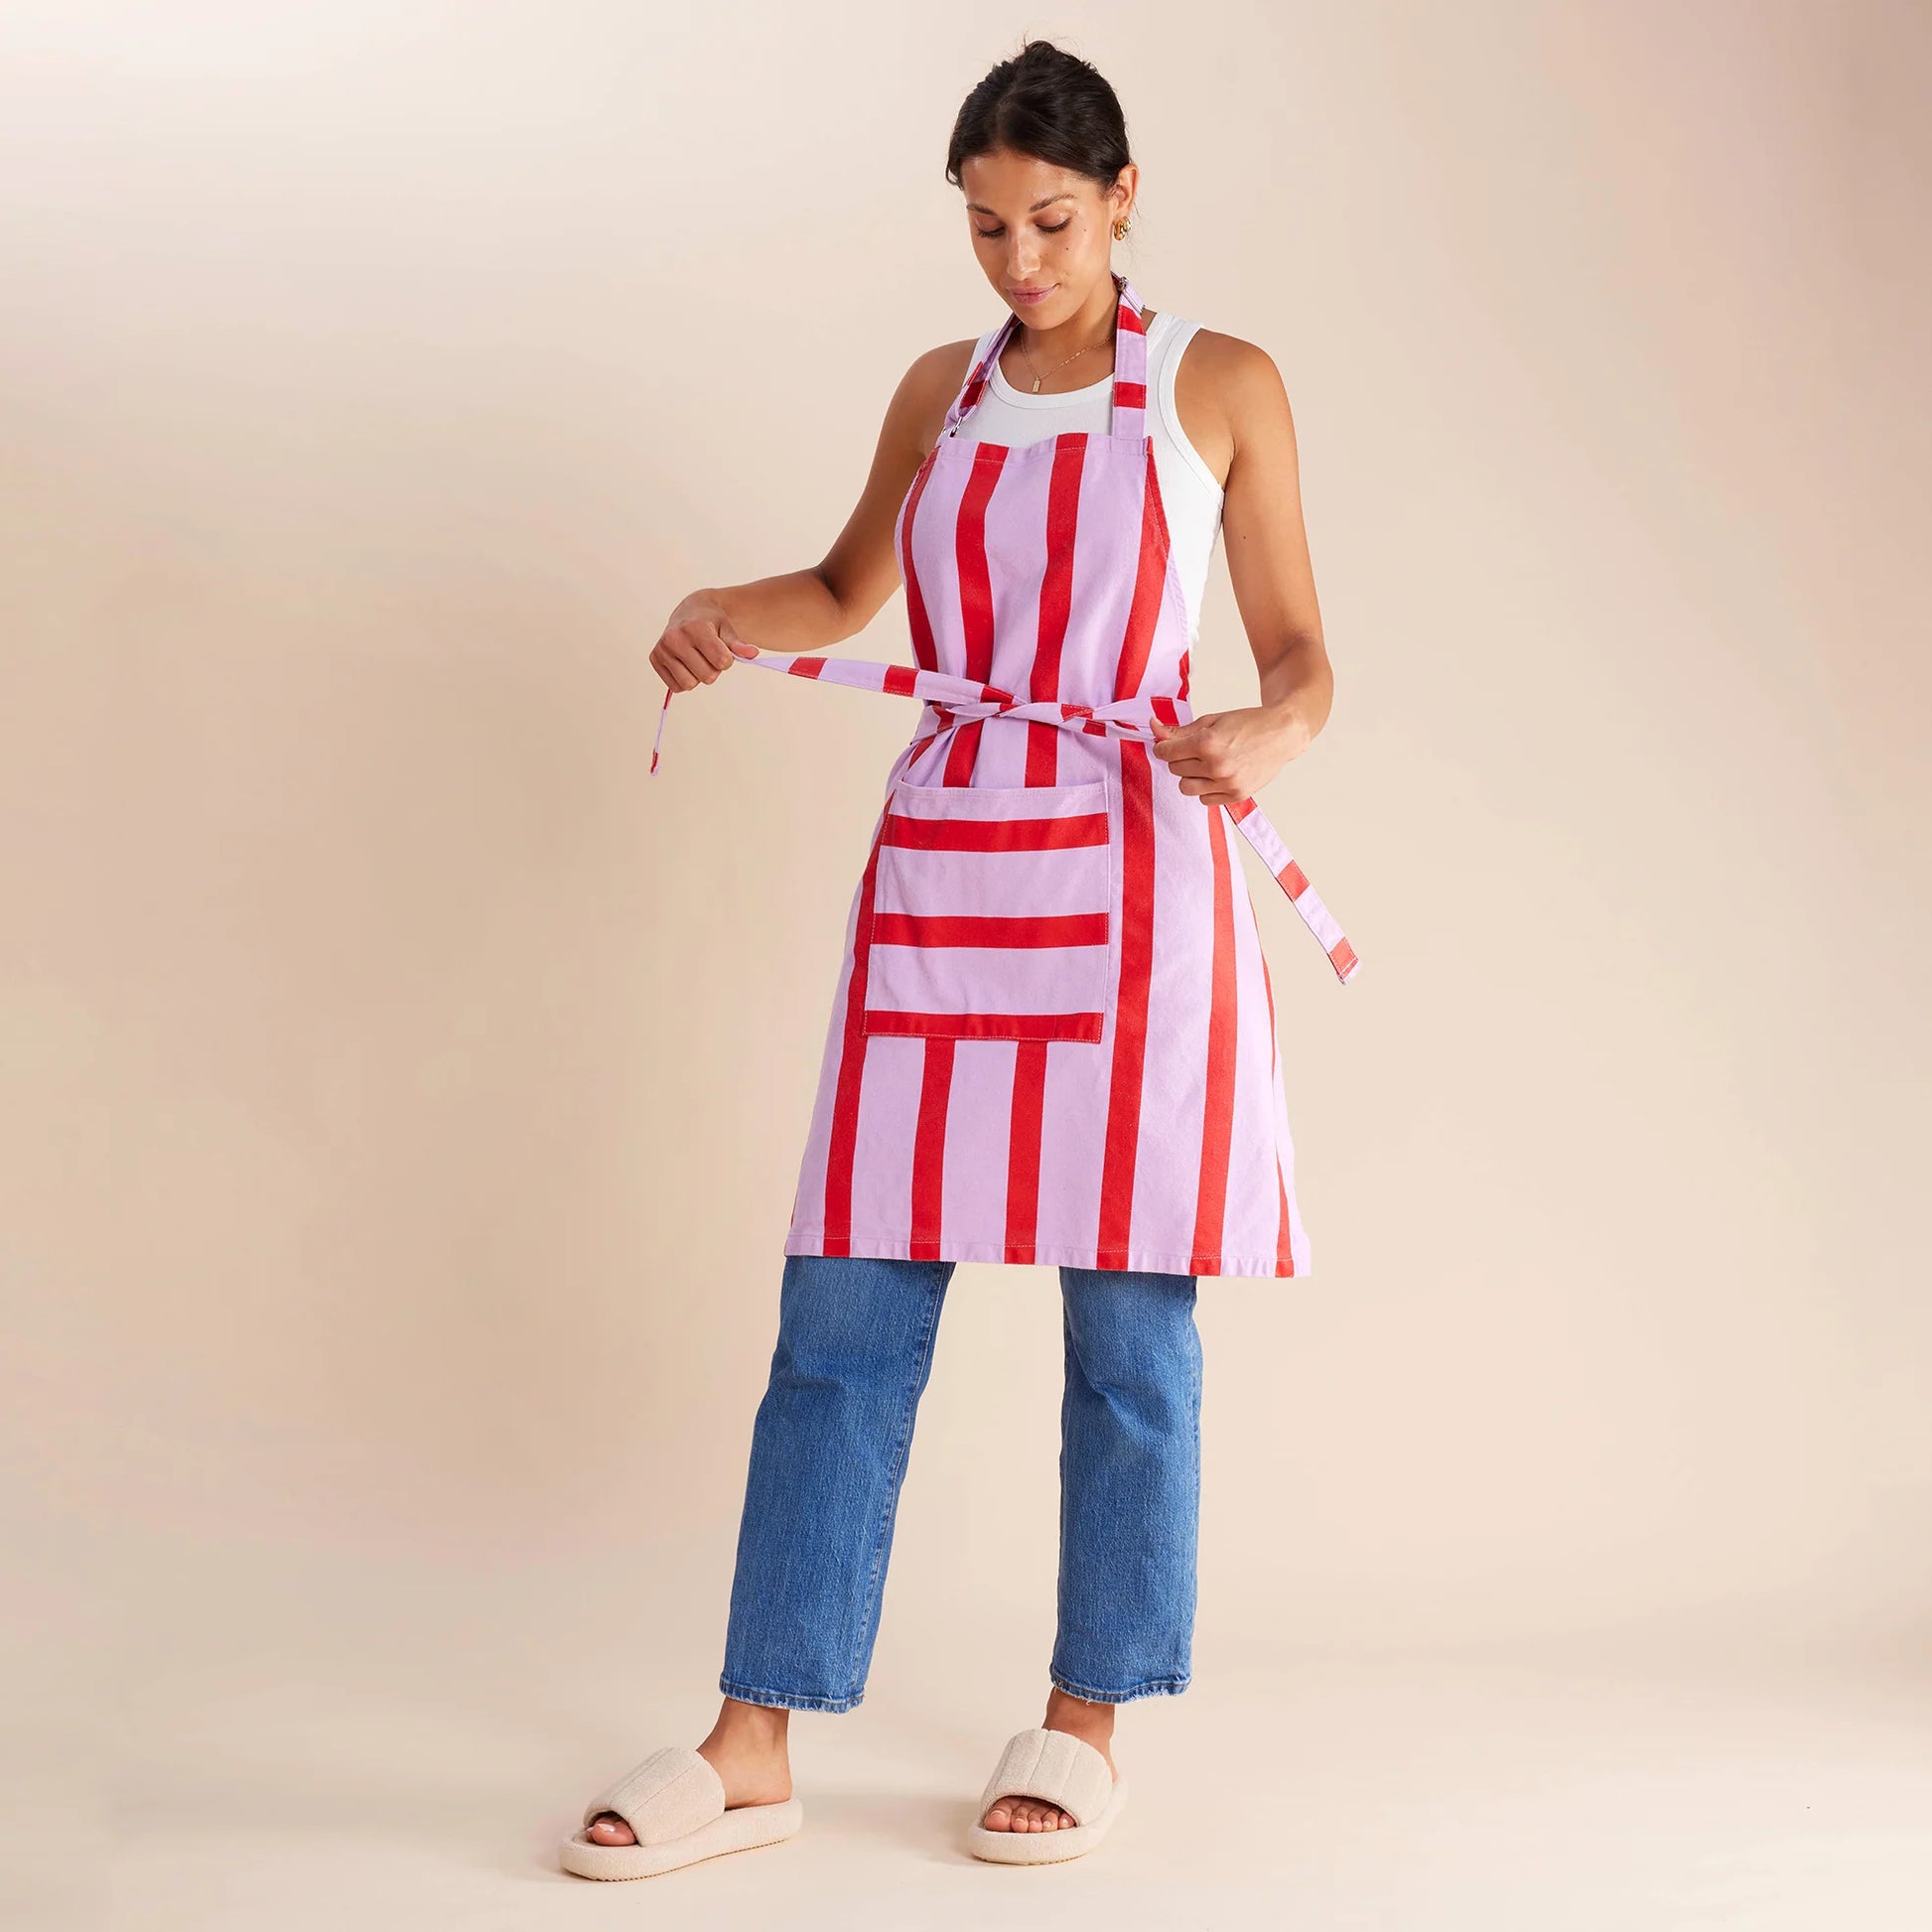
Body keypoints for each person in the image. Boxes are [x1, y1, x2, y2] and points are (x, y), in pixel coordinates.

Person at [559, 36, 1353, 1881]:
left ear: (1123, 195)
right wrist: (717, 619)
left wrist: (1269, 733)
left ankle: (1085, 1718)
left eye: (1050, 223)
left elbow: (1306, 653)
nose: (1015, 263)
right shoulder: (941, 386)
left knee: (1127, 1330)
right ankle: (753, 1736)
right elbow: (846, 595)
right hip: (946, 858)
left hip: (1142, 868)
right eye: (986, 228)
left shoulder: (1221, 384)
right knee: (840, 1320)